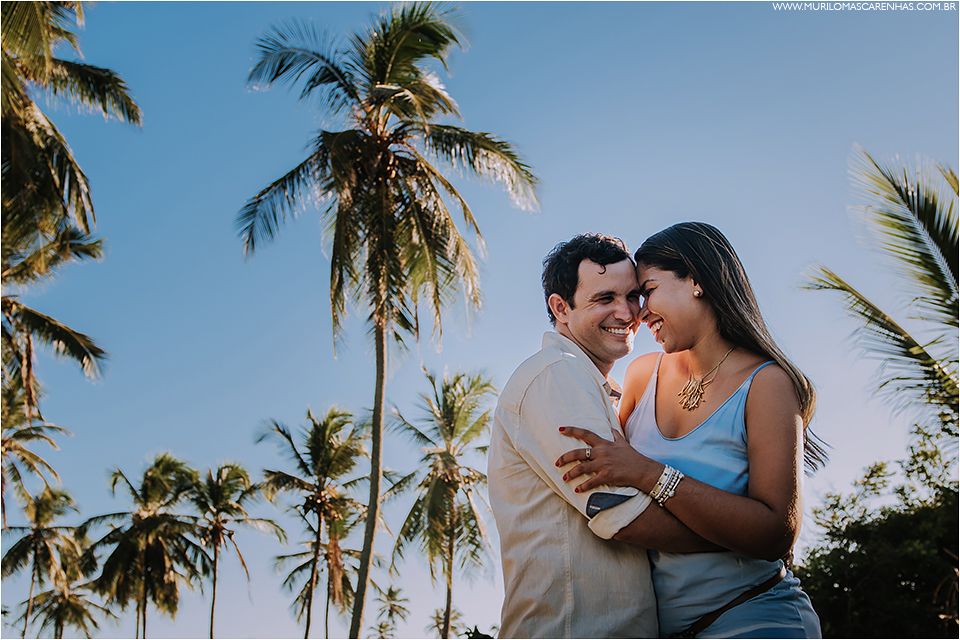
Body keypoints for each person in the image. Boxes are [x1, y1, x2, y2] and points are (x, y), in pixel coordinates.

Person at [556, 222, 824, 638]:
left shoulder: (767, 383)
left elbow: (777, 532)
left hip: (757, 618)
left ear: (696, 280)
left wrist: (650, 473)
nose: (638, 313)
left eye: (647, 291)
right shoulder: (641, 377)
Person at [488, 233, 715, 639]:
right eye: (604, 299)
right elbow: (625, 517)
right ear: (561, 308)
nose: (626, 312)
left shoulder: (602, 390)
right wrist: (743, 538)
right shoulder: (557, 374)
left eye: (633, 296)